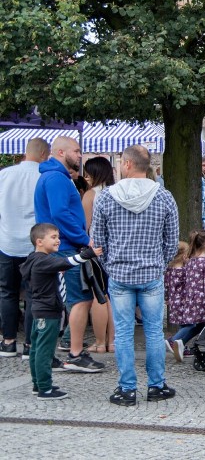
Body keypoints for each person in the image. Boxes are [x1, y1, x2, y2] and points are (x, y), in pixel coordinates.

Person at [91, 145, 180, 406]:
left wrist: (110, 264)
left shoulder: (106, 197)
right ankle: (156, 385)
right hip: (151, 272)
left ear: (127, 164)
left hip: (119, 273)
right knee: (153, 332)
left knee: (123, 333)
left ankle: (127, 388)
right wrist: (159, 264)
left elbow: (98, 240)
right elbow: (171, 242)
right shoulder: (164, 196)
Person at [34, 136, 104, 372]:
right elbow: (60, 213)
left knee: (60, 302)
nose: (80, 155)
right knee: (80, 300)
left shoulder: (55, 177)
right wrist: (85, 240)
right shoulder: (56, 178)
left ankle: (50, 354)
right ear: (61, 153)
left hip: (63, 245)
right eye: (76, 151)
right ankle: (75, 354)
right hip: (66, 247)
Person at [21, 223, 101, 400]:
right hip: (48, 312)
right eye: (54, 237)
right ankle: (45, 389)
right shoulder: (43, 260)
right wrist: (88, 254)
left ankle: (38, 384)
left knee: (37, 348)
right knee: (44, 351)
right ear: (39, 241)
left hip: (40, 311)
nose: (58, 240)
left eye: (58, 237)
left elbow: (60, 266)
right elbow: (67, 261)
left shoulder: (35, 259)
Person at [0, 137, 49, 360]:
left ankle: (8, 341)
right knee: (33, 295)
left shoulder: (4, 175)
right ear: (43, 155)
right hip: (34, 244)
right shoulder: (43, 177)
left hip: (7, 241)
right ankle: (30, 343)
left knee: (7, 293)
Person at [81, 156, 116, 355]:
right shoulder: (115, 192)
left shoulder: (91, 195)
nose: (86, 177)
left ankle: (100, 342)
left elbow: (84, 226)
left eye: (88, 173)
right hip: (114, 250)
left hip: (95, 249)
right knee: (111, 296)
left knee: (99, 296)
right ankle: (112, 341)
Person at [165, 232, 205, 362]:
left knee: (200, 325)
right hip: (202, 300)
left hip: (189, 298)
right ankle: (175, 340)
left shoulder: (190, 262)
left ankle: (181, 342)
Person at [163, 242, 190, 360]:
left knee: (182, 324)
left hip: (174, 302)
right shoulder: (184, 272)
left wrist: (167, 298)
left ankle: (181, 346)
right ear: (184, 256)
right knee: (190, 324)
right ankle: (173, 341)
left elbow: (166, 286)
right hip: (184, 302)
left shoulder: (169, 270)